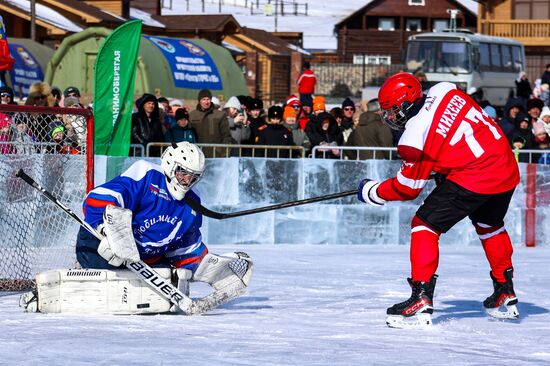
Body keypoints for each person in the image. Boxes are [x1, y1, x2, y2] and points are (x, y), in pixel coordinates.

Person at [358, 72, 520, 328]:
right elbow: (456, 132)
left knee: (424, 225)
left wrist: (374, 191)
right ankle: (505, 291)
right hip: (504, 164)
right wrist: (446, 167)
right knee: (490, 224)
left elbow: (407, 188)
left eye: (393, 110)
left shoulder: (415, 135)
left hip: (475, 174)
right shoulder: (444, 90)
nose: (391, 117)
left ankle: (421, 297)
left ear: (406, 103)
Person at [22, 142, 253, 314]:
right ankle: (68, 282)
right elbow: (99, 198)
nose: (186, 181)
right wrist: (107, 230)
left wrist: (209, 269)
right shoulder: (147, 175)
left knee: (172, 277)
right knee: (109, 266)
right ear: (171, 165)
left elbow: (185, 249)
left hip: (142, 261)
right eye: (183, 174)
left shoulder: (192, 204)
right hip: (99, 245)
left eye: (193, 177)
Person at [189, 89, 231, 158]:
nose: (206, 102)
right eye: (203, 99)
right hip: (197, 154)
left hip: (216, 154)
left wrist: (225, 153)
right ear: (199, 101)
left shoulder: (219, 115)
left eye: (208, 99)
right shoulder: (192, 115)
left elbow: (226, 135)